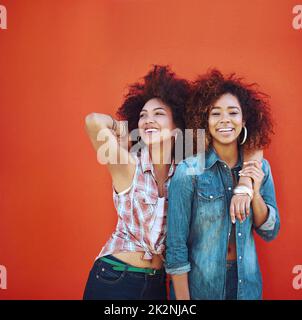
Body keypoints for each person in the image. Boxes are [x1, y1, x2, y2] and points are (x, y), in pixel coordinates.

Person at [165, 69, 280, 300]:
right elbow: (176, 247)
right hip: (202, 288)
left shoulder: (259, 168)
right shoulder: (188, 171)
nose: (225, 120)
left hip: (246, 287)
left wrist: (254, 193)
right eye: (215, 113)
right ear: (205, 121)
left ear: (244, 119)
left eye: (233, 112)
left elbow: (270, 231)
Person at [82, 65, 190, 299]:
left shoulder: (183, 173)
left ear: (177, 128)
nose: (148, 120)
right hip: (115, 278)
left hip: (157, 285)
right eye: (143, 116)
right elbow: (92, 122)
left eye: (158, 114)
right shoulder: (128, 164)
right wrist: (122, 128)